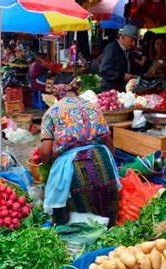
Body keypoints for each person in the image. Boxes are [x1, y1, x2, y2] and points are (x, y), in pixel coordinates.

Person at [40, 75, 120, 226]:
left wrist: (47, 164)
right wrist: (111, 163)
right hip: (102, 159)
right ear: (77, 88)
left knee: (76, 218)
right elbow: (108, 141)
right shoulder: (93, 107)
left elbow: (45, 152)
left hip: (73, 166)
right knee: (107, 214)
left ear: (56, 93)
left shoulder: (52, 112)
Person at [99, 25, 138, 92]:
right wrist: (122, 76)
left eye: (135, 40)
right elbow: (104, 70)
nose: (133, 43)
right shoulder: (111, 49)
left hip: (121, 90)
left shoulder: (127, 51)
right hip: (109, 91)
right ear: (122, 37)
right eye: (131, 40)